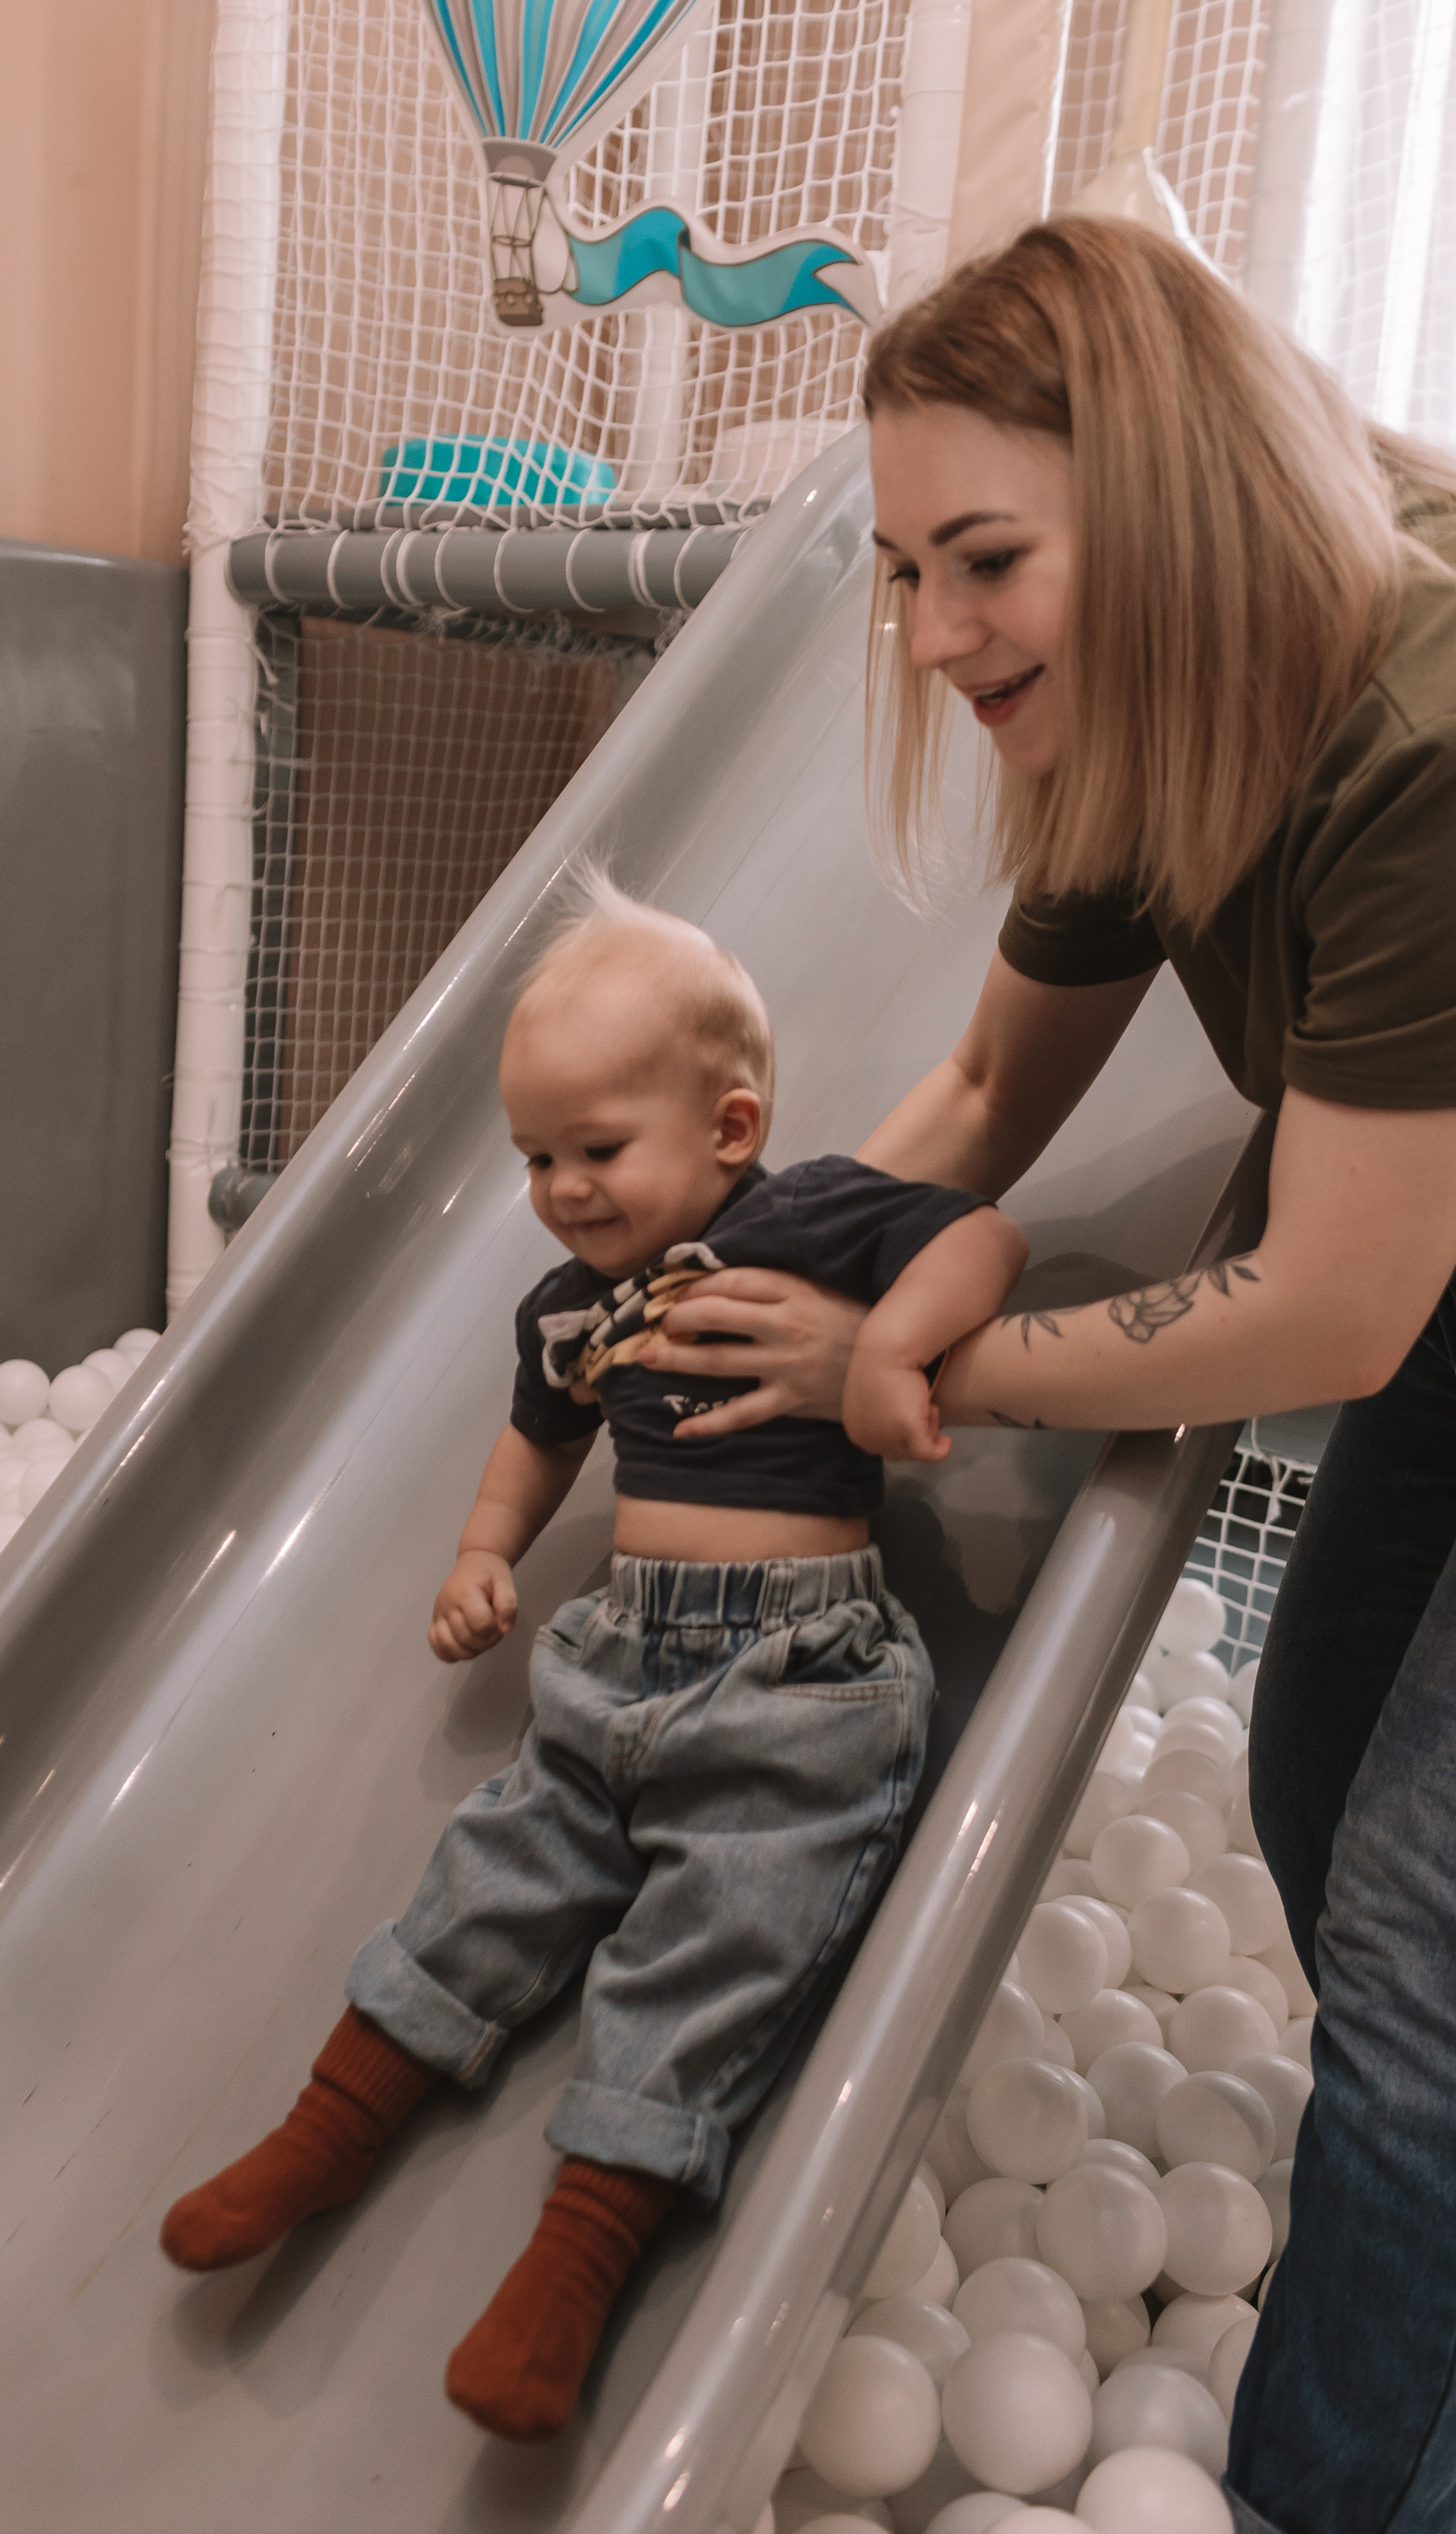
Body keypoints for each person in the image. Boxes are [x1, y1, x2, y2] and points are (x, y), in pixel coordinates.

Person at [635, 216, 1456, 2532]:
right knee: (1317, 1774)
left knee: (1418, 1961)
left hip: (1405, 1263)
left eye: (985, 560)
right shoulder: (1135, 717)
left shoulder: (1415, 739)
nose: (932, 632)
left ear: (1171, 514)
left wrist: (939, 1362)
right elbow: (993, 1086)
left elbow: (1328, 1311)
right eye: (908, 572)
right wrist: (740, 1285)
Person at [158, 883, 1027, 2443]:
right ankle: (330, 2123)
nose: (560, 1189)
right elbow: (540, 1436)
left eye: (598, 1150)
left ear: (731, 1125)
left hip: (800, 1679)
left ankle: (582, 2250)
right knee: (501, 1859)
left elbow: (985, 1233)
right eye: (534, 1157)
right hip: (619, 1658)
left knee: (729, 1926)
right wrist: (484, 1550)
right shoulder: (569, 1308)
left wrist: (896, 1349)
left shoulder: (812, 1219)